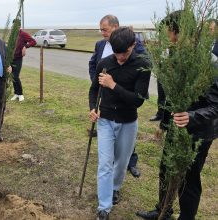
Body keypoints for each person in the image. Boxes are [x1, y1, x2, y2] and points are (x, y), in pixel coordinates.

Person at [137, 12, 218, 220]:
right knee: (166, 168)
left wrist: (192, 116)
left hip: (199, 132)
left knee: (189, 178)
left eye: (169, 33)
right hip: (176, 125)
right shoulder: (173, 55)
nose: (168, 38)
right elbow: (170, 96)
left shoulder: (208, 62)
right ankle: (163, 211)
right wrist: (164, 123)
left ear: (179, 32)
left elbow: (215, 105)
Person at [89, 27, 151, 220]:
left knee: (121, 163)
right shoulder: (105, 63)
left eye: (124, 53)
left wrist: (113, 85)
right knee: (105, 164)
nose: (120, 58)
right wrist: (92, 108)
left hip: (128, 121)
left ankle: (115, 187)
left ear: (133, 46)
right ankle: (104, 207)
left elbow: (138, 100)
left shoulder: (142, 65)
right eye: (116, 53)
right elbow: (93, 90)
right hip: (105, 120)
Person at [88, 14, 146, 178]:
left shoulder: (134, 46)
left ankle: (130, 163)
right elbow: (93, 64)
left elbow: (141, 64)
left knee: (126, 144)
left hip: (126, 103)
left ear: (115, 27)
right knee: (108, 150)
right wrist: (98, 80)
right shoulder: (100, 45)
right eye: (101, 30)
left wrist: (113, 83)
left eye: (105, 29)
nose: (102, 33)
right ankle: (110, 170)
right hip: (106, 98)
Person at [10, 19, 36, 102]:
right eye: (13, 26)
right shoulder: (12, 34)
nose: (14, 27)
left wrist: (25, 46)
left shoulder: (23, 34)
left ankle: (20, 94)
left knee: (16, 76)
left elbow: (33, 41)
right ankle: (16, 94)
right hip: (11, 58)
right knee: (12, 76)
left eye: (15, 26)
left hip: (18, 58)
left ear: (19, 26)